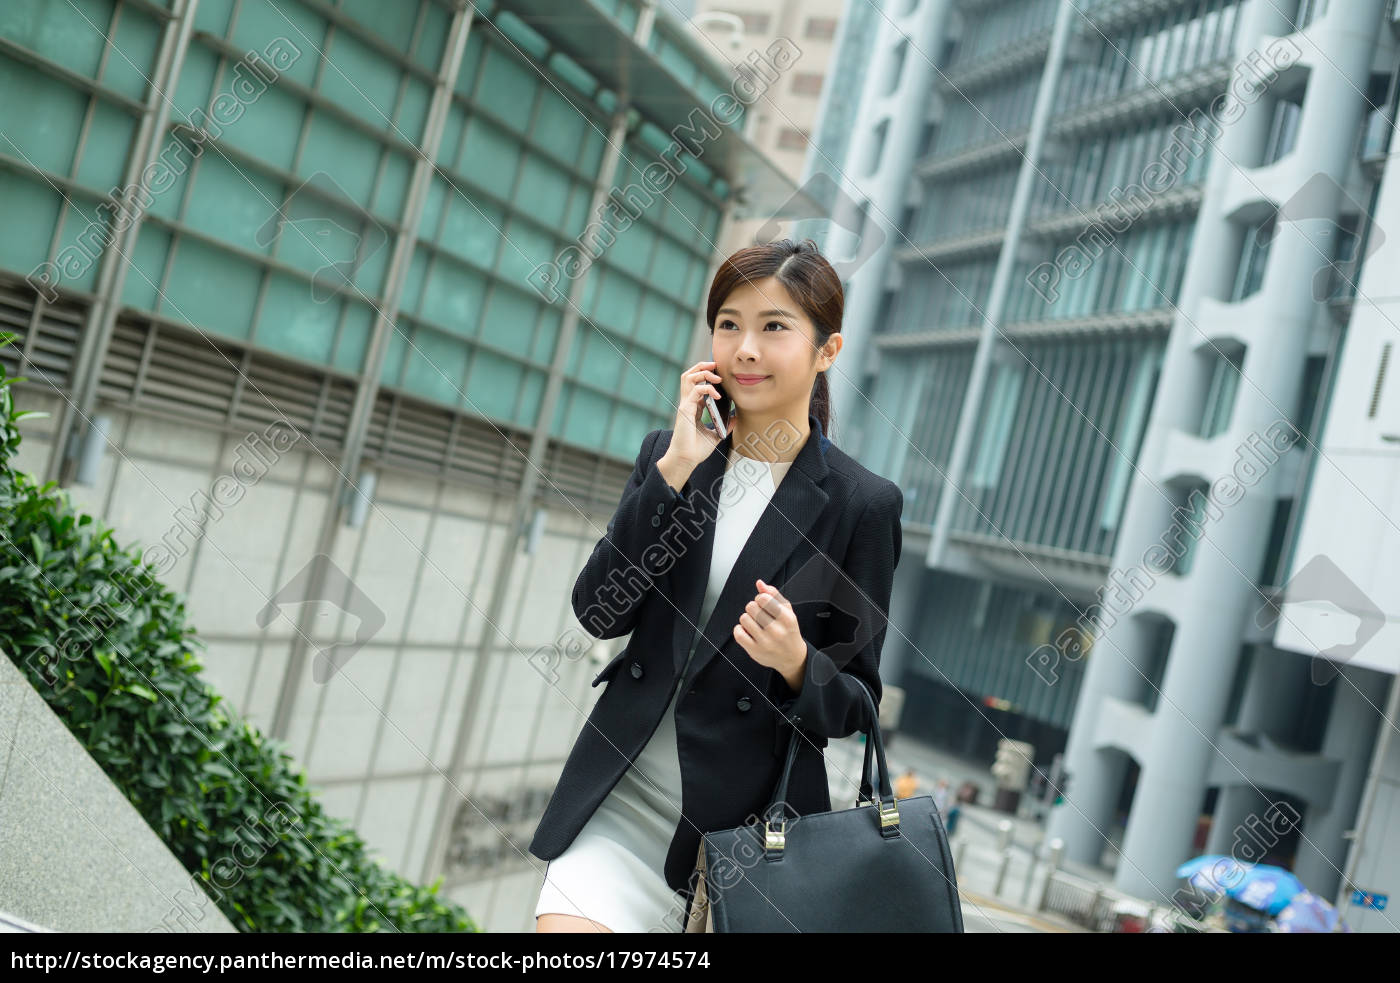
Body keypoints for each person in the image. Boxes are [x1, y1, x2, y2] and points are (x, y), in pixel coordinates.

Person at [530, 239, 905, 933]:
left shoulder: (859, 503)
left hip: (745, 843)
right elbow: (598, 609)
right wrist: (675, 468)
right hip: (621, 800)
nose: (746, 348)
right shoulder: (674, 455)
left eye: (775, 327)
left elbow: (856, 702)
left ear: (828, 350)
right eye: (729, 323)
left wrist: (796, 662)